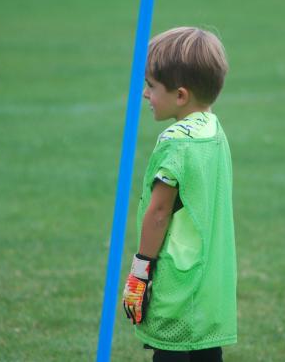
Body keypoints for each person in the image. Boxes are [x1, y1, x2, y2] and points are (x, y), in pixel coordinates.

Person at [122, 27, 237, 362]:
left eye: (152, 86)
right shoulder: (214, 130)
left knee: (170, 349)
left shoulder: (176, 142)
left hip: (179, 275)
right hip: (211, 277)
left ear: (181, 95)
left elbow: (159, 213)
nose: (145, 94)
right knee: (205, 348)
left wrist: (139, 273)